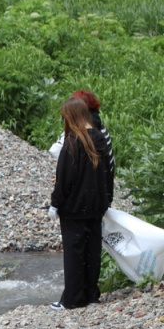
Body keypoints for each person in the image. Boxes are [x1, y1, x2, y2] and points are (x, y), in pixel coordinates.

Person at [49, 97, 114, 310]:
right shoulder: (100, 138)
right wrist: (107, 200)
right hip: (97, 205)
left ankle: (73, 299)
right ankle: (91, 294)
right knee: (92, 251)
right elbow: (108, 173)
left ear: (71, 116)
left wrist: (55, 203)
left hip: (74, 208)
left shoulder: (72, 142)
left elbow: (65, 179)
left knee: (74, 252)